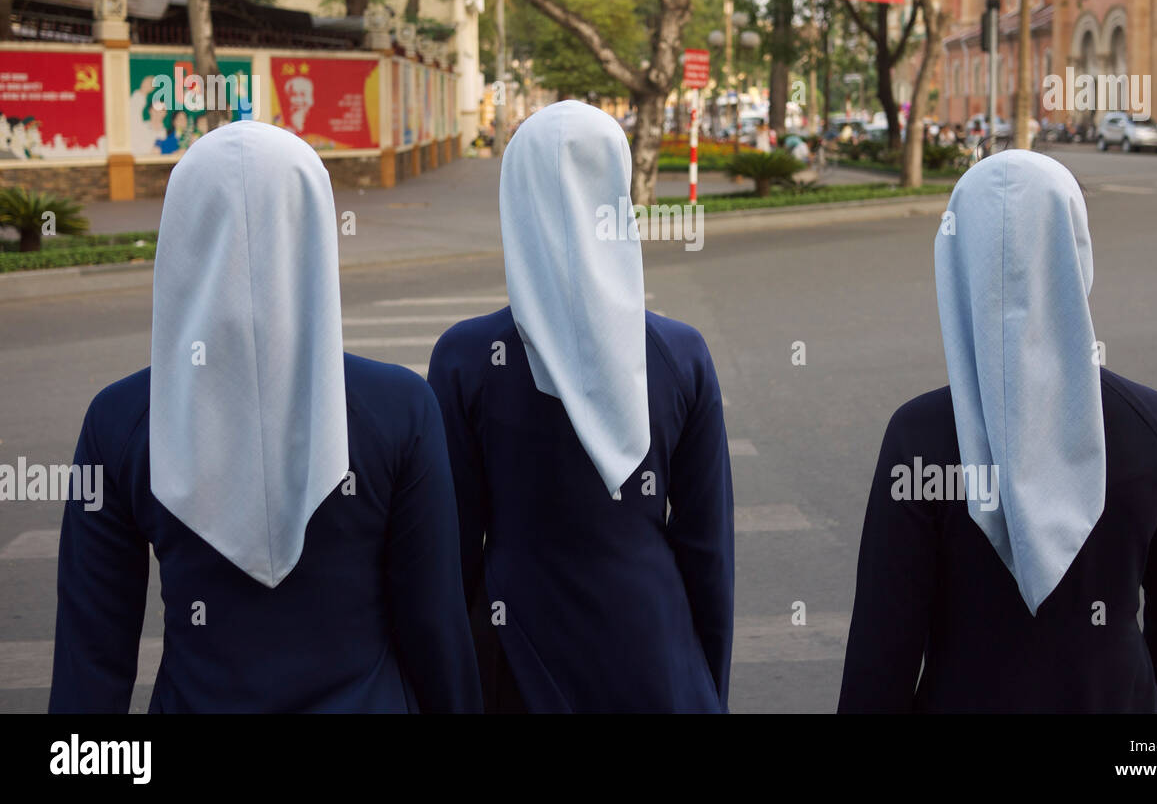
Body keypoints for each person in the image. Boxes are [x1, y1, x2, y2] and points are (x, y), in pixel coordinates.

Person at [50, 121, 480, 714]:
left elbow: (92, 650)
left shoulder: (121, 419)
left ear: (182, 232)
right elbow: (433, 621)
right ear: (316, 225)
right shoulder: (398, 405)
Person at [838, 150, 1157, 714]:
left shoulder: (921, 437)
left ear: (958, 261)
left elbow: (882, 650)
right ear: (1075, 250)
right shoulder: (1153, 427)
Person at [427, 99, 734, 713]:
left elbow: (450, 554)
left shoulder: (466, 358)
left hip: (516, 653)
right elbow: (709, 552)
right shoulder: (679, 354)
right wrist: (703, 684)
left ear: (515, 201)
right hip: (654, 648)